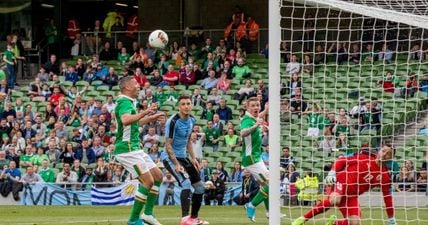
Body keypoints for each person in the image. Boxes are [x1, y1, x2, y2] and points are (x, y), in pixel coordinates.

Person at [292, 144, 397, 225]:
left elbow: (387, 198)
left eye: (388, 154)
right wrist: (332, 172)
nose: (384, 154)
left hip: (351, 196)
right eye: (383, 151)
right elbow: (341, 160)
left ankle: (334, 223)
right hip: (340, 182)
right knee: (335, 199)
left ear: (391, 158)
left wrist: (391, 217)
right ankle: (302, 219)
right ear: (379, 151)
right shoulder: (364, 157)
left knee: (355, 222)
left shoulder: (385, 176)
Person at [114, 76, 164, 225]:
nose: (138, 86)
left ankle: (148, 214)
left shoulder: (130, 102)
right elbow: (125, 120)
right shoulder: (124, 101)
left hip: (135, 149)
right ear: (127, 87)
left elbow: (134, 123)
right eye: (135, 84)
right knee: (148, 181)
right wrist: (145, 111)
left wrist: (151, 117)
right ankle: (134, 220)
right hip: (127, 150)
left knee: (158, 176)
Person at [160, 95, 209, 225]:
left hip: (184, 157)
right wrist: (176, 164)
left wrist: (193, 158)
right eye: (183, 104)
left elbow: (188, 141)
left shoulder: (192, 120)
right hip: (170, 158)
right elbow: (168, 144)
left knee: (200, 187)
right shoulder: (173, 121)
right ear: (179, 107)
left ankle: (193, 218)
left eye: (188, 103)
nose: (186, 106)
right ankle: (184, 219)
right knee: (186, 183)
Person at [241, 97, 270, 222]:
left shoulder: (254, 118)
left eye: (257, 105)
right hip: (252, 159)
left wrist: (266, 109)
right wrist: (256, 125)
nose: (256, 108)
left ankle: (270, 213)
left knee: (265, 185)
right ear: (247, 107)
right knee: (270, 185)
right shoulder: (247, 120)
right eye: (252, 105)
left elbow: (260, 115)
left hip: (256, 158)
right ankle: (251, 205)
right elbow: (243, 133)